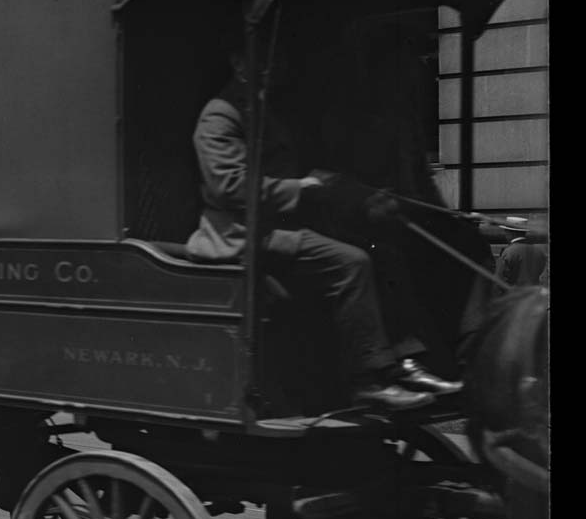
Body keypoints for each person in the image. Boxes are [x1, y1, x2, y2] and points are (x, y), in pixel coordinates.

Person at [187, 51, 459, 414]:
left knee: (384, 254)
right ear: (239, 66)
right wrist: (303, 186)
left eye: (277, 63)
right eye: (266, 64)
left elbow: (294, 177)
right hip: (240, 236)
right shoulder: (221, 114)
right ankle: (368, 382)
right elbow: (229, 187)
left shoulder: (260, 109)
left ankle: (405, 362)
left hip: (277, 230)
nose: (277, 70)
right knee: (351, 262)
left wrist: (353, 195)